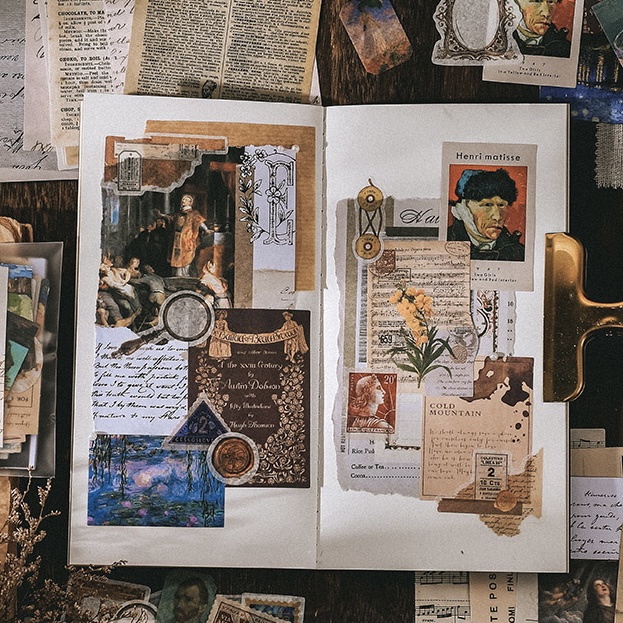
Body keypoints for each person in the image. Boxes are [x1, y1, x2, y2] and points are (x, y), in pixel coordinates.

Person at [447, 168, 525, 261]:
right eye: (487, 205)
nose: (497, 217)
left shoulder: (517, 252)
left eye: (501, 205)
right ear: (465, 208)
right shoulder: (445, 242)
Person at [162, 193, 210, 277]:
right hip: (177, 239)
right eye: (183, 199)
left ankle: (185, 274)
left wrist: (206, 229)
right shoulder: (178, 214)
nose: (184, 201)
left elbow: (200, 222)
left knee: (186, 256)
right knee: (176, 256)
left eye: (186, 200)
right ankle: (178, 274)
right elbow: (170, 220)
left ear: (190, 202)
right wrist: (163, 216)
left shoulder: (193, 213)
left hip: (187, 239)